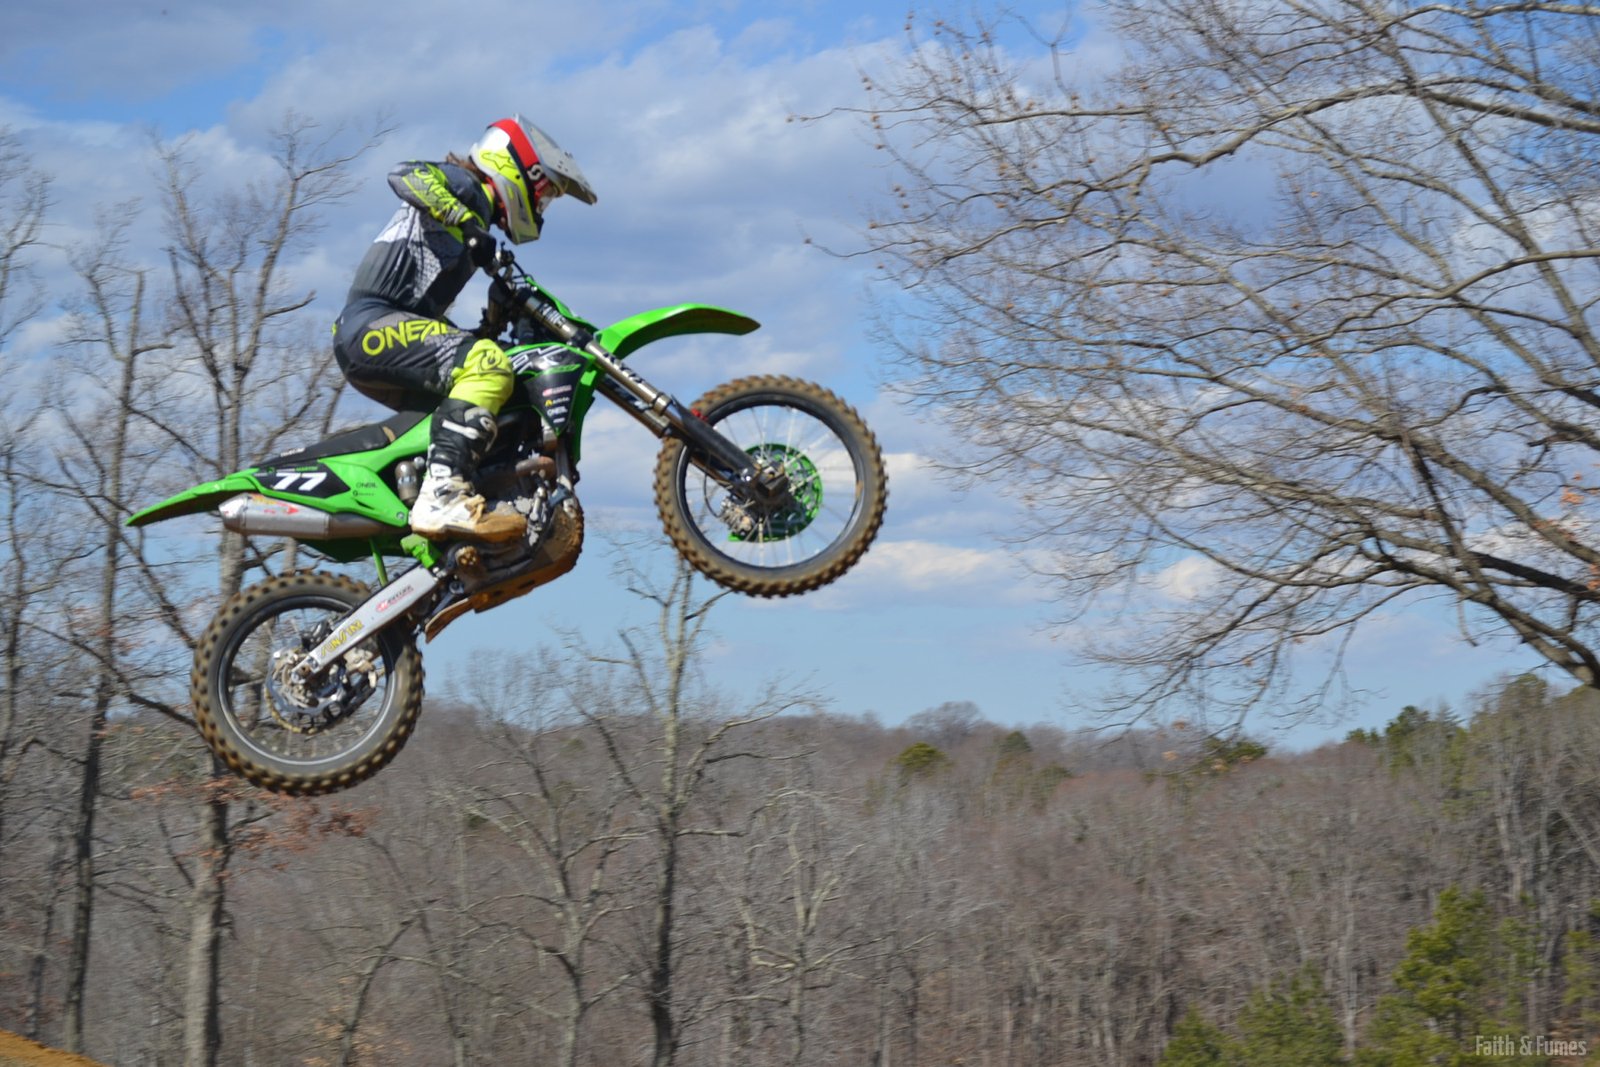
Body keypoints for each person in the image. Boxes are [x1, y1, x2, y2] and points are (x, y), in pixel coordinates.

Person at [332, 116, 597, 541]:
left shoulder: (479, 222)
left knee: (490, 393)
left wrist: (494, 323)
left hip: (376, 333)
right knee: (487, 365)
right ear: (517, 170)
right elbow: (404, 173)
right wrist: (466, 221)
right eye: (543, 195)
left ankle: (451, 520)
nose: (541, 208)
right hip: (372, 323)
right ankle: (442, 496)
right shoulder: (465, 186)